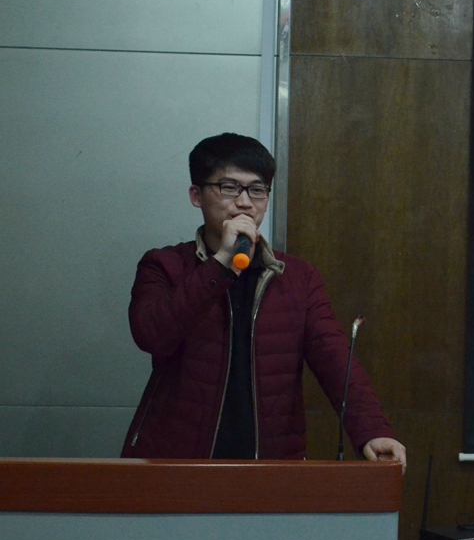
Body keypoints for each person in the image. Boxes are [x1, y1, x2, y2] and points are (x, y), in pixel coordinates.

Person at [122, 133, 405, 469]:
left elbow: (335, 360)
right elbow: (153, 335)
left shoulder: (298, 278)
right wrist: (220, 264)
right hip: (177, 461)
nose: (245, 202)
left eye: (257, 190)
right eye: (229, 187)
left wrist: (372, 431)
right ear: (196, 195)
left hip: (271, 464)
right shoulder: (164, 265)